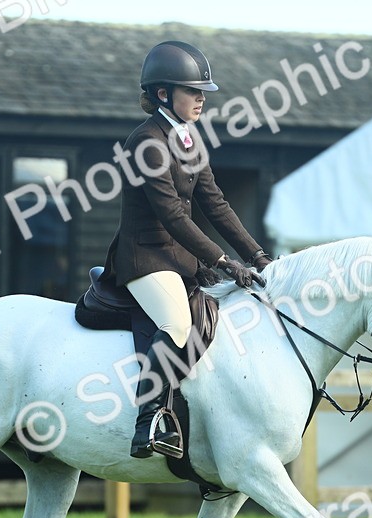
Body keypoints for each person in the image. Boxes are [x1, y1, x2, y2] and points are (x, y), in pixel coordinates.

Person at [100, 41, 272, 458]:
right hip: (145, 258)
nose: (201, 98)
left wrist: (258, 256)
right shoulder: (147, 143)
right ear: (163, 94)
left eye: (202, 92)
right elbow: (175, 216)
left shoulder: (188, 138)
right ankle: (150, 422)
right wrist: (223, 261)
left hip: (178, 256)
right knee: (177, 323)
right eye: (193, 91)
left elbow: (215, 203)